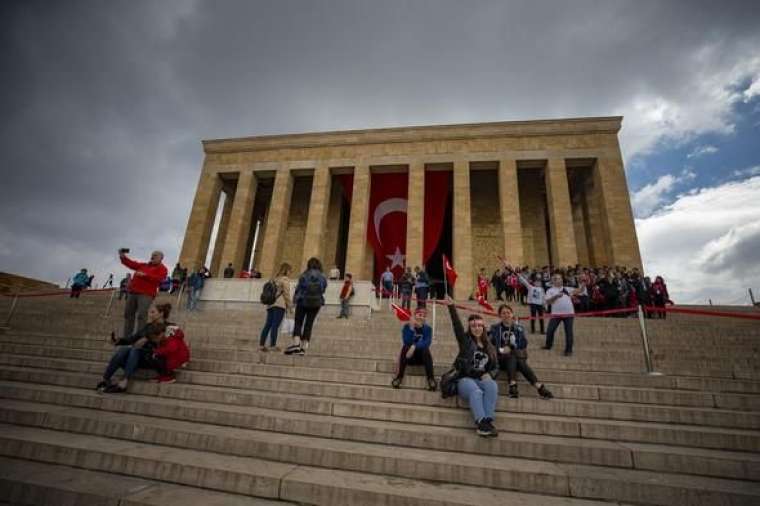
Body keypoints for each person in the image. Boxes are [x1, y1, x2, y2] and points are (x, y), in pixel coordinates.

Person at [442, 296, 499, 438]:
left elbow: (496, 366)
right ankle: (481, 422)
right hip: (464, 379)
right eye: (474, 326)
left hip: (481, 379)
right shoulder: (465, 341)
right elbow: (457, 327)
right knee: (476, 392)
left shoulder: (489, 345)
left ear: (483, 327)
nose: (477, 328)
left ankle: (488, 420)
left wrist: (490, 374)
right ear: (470, 328)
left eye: (480, 325)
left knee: (492, 385)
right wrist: (451, 307)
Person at [98, 303, 172, 393]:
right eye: (150, 312)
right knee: (124, 349)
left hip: (154, 358)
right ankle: (105, 379)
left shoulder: (169, 327)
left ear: (161, 313)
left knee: (134, 349)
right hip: (139, 356)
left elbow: (168, 344)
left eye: (153, 312)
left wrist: (148, 339)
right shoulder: (148, 326)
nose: (150, 314)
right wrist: (118, 341)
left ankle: (123, 382)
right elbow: (132, 338)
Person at [489, 304, 553, 399]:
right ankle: (539, 387)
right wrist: (501, 350)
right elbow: (490, 344)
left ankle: (513, 386)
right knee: (516, 359)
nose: (506, 315)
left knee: (514, 357)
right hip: (500, 359)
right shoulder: (495, 328)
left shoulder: (518, 328)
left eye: (508, 312)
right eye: (503, 313)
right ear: (500, 315)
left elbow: (523, 344)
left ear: (512, 314)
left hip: (515, 358)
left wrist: (512, 346)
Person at [120, 250, 168, 339]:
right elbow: (131, 264)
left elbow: (160, 279)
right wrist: (123, 257)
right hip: (132, 292)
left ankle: (140, 337)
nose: (152, 256)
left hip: (146, 295)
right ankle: (127, 337)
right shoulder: (143, 265)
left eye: (155, 255)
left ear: (161, 258)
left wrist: (145, 275)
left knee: (142, 315)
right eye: (152, 255)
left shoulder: (162, 269)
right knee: (128, 314)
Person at [284, 257, 327, 355]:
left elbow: (299, 289)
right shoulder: (323, 276)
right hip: (316, 302)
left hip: (303, 301)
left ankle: (296, 344)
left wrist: (294, 301)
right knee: (309, 324)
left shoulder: (304, 274)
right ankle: (303, 348)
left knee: (298, 322)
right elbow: (323, 289)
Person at [392, 308, 437, 390]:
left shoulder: (428, 329)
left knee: (425, 349)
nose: (421, 317)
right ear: (415, 315)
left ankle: (431, 378)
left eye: (424, 316)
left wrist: (414, 346)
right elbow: (406, 341)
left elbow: (427, 342)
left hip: (421, 358)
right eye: (420, 315)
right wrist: (411, 329)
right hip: (409, 358)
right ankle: (399, 377)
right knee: (405, 347)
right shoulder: (407, 327)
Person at [544, 274, 582, 356]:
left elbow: (579, 291)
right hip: (556, 314)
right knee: (550, 330)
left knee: (569, 332)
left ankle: (569, 350)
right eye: (558, 279)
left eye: (561, 278)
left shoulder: (567, 289)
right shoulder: (550, 290)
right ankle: (548, 345)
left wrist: (583, 283)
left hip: (569, 314)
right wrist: (556, 296)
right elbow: (548, 302)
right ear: (553, 281)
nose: (560, 280)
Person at [258, 262, 293, 351]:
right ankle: (273, 345)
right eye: (290, 271)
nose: (291, 273)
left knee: (268, 325)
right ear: (287, 271)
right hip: (279, 305)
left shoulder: (274, 279)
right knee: (275, 325)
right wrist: (290, 306)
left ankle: (261, 345)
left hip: (270, 304)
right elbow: (286, 294)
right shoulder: (285, 280)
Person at [516, 269, 545, 334]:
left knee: (541, 317)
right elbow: (524, 281)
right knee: (533, 317)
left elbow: (543, 297)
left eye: (539, 282)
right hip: (533, 304)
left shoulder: (542, 289)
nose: (538, 283)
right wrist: (519, 276)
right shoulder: (531, 287)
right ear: (534, 282)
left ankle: (542, 330)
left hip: (540, 304)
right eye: (536, 282)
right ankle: (533, 329)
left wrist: (544, 305)